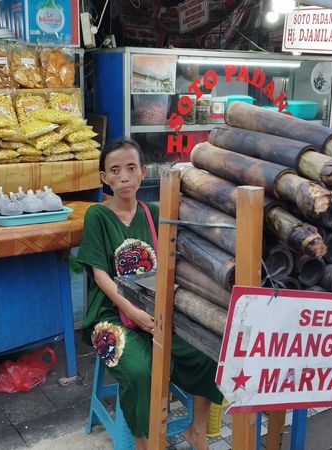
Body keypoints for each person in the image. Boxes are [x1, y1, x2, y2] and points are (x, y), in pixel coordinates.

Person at [77, 138, 223, 450]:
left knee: (208, 351)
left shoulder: (155, 212)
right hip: (109, 314)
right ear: (104, 178)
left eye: (131, 168)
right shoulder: (97, 216)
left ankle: (196, 429)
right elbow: (100, 275)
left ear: (144, 172)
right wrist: (129, 310)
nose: (124, 177)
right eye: (115, 171)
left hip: (156, 309)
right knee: (140, 370)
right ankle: (144, 445)